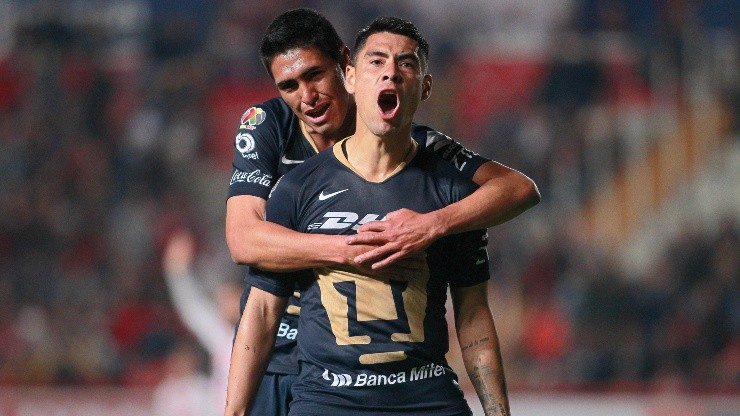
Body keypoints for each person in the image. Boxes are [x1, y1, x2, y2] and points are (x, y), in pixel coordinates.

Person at [224, 8, 536, 416]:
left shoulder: (425, 151)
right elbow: (243, 239)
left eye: (315, 75)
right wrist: (350, 250)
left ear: (344, 67)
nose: (307, 96)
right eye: (289, 85)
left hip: (399, 382)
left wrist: (433, 225)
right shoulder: (270, 130)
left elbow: (519, 188)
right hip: (283, 359)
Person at [162, 228, 242, 416]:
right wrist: (176, 271)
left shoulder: (264, 328)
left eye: (231, 297)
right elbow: (192, 308)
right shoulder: (221, 334)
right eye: (223, 299)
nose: (225, 304)